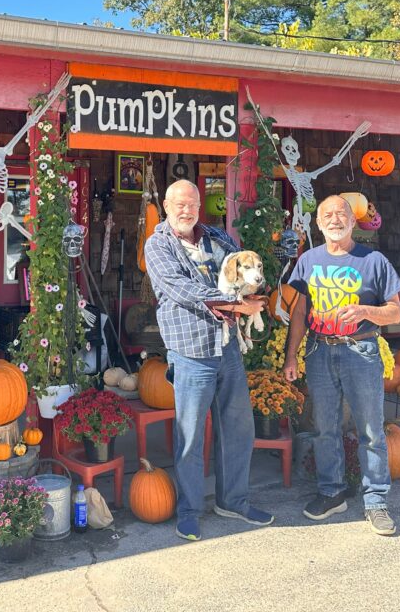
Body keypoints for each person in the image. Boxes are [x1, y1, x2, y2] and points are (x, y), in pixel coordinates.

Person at [144, 179, 272, 542]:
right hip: (191, 352)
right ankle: (189, 510)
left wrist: (253, 290)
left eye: (193, 205)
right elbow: (181, 288)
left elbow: (241, 266)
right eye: (180, 205)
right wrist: (233, 303)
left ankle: (233, 500)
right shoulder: (159, 245)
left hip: (227, 347)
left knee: (238, 428)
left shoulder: (217, 238)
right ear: (167, 206)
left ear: (200, 206)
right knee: (190, 435)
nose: (187, 211)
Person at [283, 194, 400, 536]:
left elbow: (395, 311)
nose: (334, 220)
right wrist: (292, 356)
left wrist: (367, 311)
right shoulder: (308, 260)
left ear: (353, 221)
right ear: (318, 224)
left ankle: (376, 501)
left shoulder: (374, 261)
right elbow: (299, 313)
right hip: (320, 351)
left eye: (341, 214)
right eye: (327, 215)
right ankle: (332, 492)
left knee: (370, 430)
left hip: (361, 351)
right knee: (325, 428)